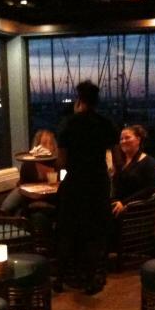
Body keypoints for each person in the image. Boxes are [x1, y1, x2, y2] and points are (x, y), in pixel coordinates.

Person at [54, 80, 118, 295]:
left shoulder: (68, 124)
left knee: (67, 230)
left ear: (79, 99)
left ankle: (60, 278)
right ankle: (91, 279)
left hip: (75, 183)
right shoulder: (106, 124)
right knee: (95, 232)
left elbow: (62, 163)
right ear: (97, 100)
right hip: (98, 184)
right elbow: (117, 159)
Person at [1, 129, 57, 214]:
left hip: (49, 198)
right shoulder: (29, 164)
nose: (48, 147)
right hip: (28, 196)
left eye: (51, 144)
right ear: (37, 146)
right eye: (44, 143)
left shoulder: (58, 164)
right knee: (6, 207)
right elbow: (23, 188)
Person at [110, 125, 155, 217]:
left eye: (127, 138)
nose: (123, 141)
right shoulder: (120, 162)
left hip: (136, 210)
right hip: (117, 206)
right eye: (121, 139)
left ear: (138, 140)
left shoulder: (148, 162)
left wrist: (125, 203)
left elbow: (150, 188)